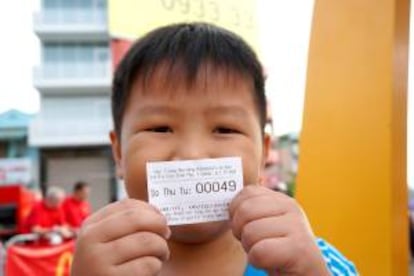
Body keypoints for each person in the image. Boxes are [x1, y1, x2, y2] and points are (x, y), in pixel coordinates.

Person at [72, 23, 357, 275]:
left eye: (225, 129)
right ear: (119, 153)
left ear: (262, 154)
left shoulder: (315, 261)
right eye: (160, 128)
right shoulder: (96, 266)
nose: (193, 154)